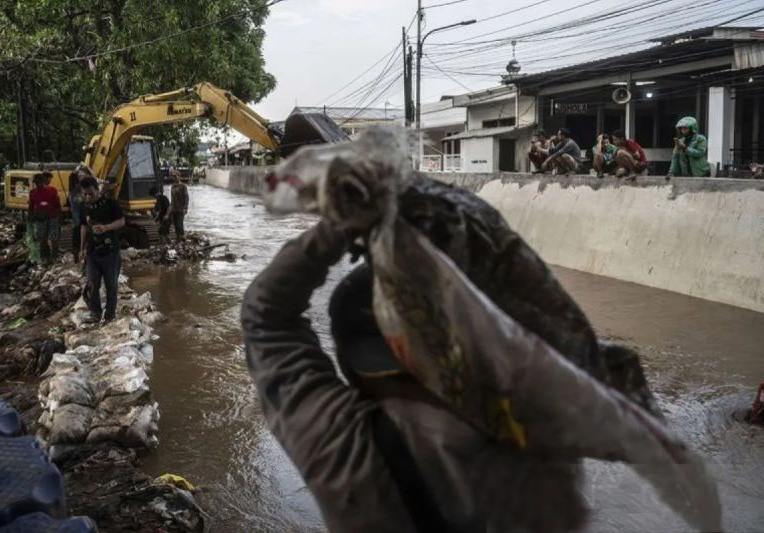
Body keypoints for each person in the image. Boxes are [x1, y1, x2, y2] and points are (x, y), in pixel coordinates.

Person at [242, 220, 586, 532]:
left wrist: (341, 225)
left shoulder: (344, 446)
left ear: (351, 366)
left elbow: (266, 317)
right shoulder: (551, 443)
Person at [79, 176, 125, 323]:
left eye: (90, 194)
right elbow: (84, 227)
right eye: (85, 194)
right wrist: (81, 249)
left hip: (110, 252)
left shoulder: (111, 204)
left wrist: (106, 227)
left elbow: (121, 221)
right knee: (93, 284)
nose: (88, 197)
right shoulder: (84, 206)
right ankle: (95, 313)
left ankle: (110, 316)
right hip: (92, 252)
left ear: (97, 190)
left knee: (111, 286)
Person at [28, 171, 61, 265]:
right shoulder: (33, 192)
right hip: (40, 218)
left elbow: (57, 204)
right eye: (36, 183)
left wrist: (59, 216)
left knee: (54, 238)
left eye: (39, 182)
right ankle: (45, 258)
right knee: (42, 239)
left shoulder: (52, 190)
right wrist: (30, 217)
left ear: (43, 181)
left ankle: (54, 257)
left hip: (53, 217)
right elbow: (31, 206)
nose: (38, 184)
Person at [68, 167, 88, 261]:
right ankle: (77, 256)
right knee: (77, 235)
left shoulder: (86, 189)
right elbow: (71, 175)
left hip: (84, 218)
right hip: (77, 219)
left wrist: (87, 168)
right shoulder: (73, 189)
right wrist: (78, 167)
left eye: (83, 176)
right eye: (80, 176)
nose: (82, 178)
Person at [170, 170, 189, 241]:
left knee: (179, 224)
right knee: (175, 225)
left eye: (175, 176)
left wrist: (185, 208)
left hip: (181, 209)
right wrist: (170, 208)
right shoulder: (172, 186)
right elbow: (172, 198)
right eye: (172, 176)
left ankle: (182, 239)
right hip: (173, 209)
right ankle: (178, 239)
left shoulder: (183, 186)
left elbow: (186, 197)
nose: (173, 178)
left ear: (179, 176)